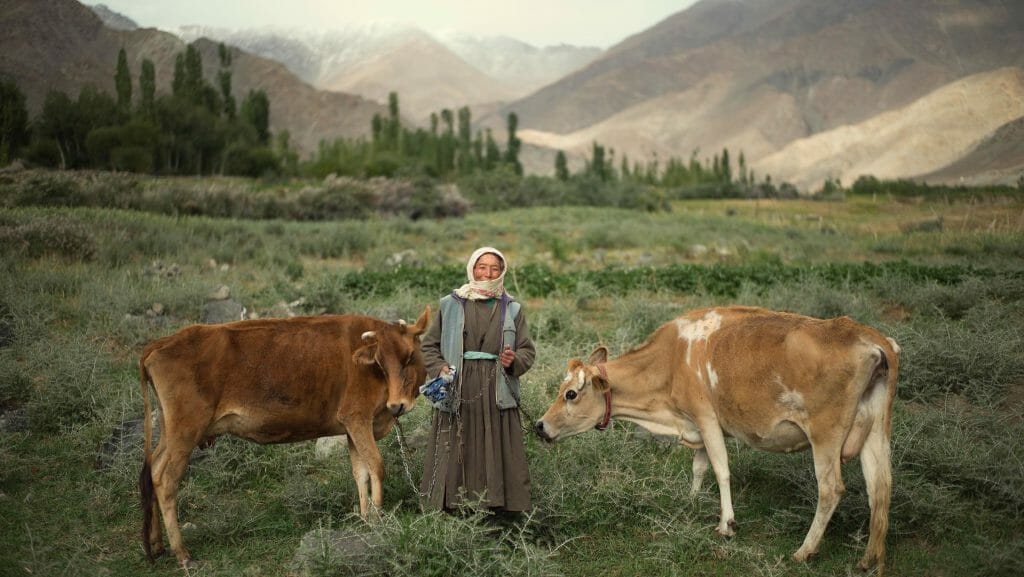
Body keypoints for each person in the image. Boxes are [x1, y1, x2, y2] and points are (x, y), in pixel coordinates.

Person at [419, 246, 536, 513]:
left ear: (502, 271)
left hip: (497, 388)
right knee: (457, 442)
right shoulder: (450, 304)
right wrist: (439, 368)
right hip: (458, 386)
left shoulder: (513, 309)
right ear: (472, 268)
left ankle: (499, 505)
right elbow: (429, 347)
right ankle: (451, 505)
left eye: (494, 268)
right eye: (482, 266)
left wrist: (513, 361)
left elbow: (527, 350)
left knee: (497, 444)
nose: (488, 273)